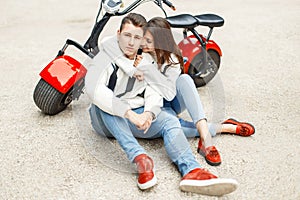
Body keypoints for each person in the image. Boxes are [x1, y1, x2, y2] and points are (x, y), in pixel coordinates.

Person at [85, 13, 238, 196]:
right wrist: (130, 114)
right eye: (127, 36)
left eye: (137, 38)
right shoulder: (104, 56)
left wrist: (149, 114)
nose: (132, 43)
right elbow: (94, 89)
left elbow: (155, 92)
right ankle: (140, 158)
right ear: (118, 34)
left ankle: (191, 170)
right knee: (104, 104)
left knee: (170, 120)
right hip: (105, 121)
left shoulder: (147, 60)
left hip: (139, 115)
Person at [101, 16, 255, 167]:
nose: (143, 44)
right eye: (144, 39)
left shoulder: (172, 60)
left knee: (185, 80)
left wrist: (148, 71)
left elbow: (167, 93)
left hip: (170, 100)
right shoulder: (141, 52)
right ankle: (224, 127)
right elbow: (106, 42)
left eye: (149, 41)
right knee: (172, 126)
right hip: (150, 102)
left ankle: (206, 141)